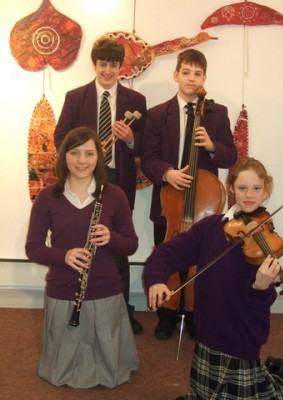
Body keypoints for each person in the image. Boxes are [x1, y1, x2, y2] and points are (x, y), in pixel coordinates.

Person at [144, 157, 283, 399]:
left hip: (243, 336)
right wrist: (156, 279)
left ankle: (279, 374)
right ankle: (273, 371)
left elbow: (262, 302)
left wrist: (261, 287)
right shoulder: (210, 228)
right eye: (242, 188)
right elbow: (166, 253)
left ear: (265, 191)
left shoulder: (266, 239)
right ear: (231, 189)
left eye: (256, 188)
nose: (249, 195)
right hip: (209, 331)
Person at [25, 127, 139, 389]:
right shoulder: (47, 197)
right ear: (64, 156)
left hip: (105, 288)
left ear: (99, 156)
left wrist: (112, 238)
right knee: (62, 363)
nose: (81, 160)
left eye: (89, 153)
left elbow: (131, 245)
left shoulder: (114, 195)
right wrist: (63, 256)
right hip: (63, 288)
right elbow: (33, 247)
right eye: (74, 153)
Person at [141, 48, 237, 339]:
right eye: (186, 72)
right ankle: (167, 314)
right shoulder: (158, 114)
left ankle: (196, 313)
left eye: (198, 73)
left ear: (204, 77)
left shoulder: (217, 114)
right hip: (169, 202)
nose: (192, 78)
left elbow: (230, 156)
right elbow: (148, 157)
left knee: (202, 262)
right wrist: (167, 173)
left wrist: (211, 146)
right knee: (166, 256)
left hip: (203, 206)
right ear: (176, 75)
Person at [54, 37, 147, 335]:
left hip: (118, 182)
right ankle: (79, 304)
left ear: (122, 67)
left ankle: (120, 311)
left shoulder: (136, 101)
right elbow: (60, 140)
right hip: (84, 179)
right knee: (80, 240)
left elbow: (147, 146)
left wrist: (130, 140)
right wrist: (85, 149)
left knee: (116, 247)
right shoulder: (75, 97)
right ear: (94, 65)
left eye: (114, 65)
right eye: (103, 64)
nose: (108, 71)